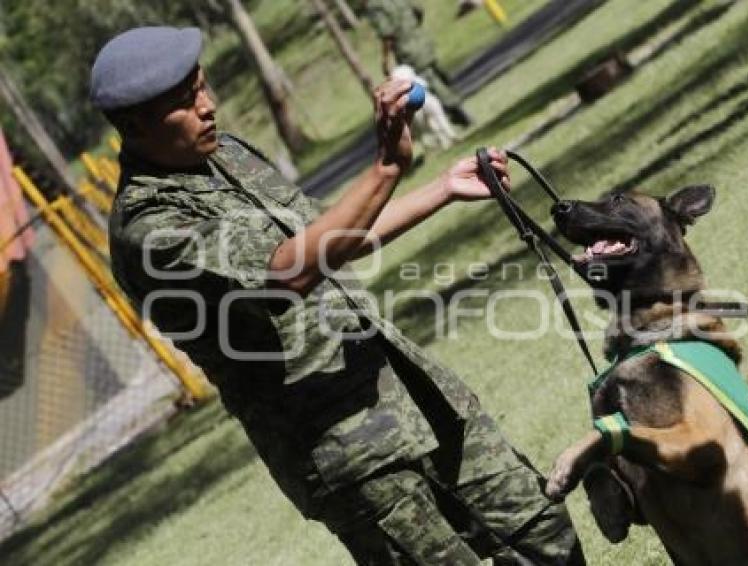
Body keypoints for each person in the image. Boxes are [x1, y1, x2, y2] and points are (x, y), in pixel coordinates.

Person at [93, 26, 584, 565]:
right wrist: (387, 167)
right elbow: (291, 273)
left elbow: (332, 237)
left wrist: (442, 189)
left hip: (406, 387)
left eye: (204, 88)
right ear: (134, 126)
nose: (207, 108)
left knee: (543, 531)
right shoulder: (149, 227)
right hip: (353, 457)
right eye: (184, 103)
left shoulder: (226, 154)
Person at [365, 0, 474, 127]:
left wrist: (385, 60)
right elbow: (418, 9)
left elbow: (387, 34)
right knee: (437, 72)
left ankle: (457, 111)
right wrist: (413, 27)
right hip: (421, 39)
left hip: (406, 47)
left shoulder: (375, 7)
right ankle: (455, 106)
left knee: (429, 81)